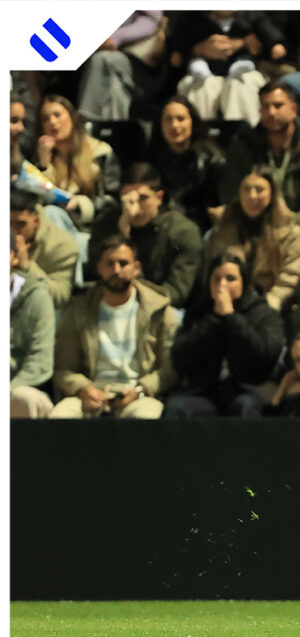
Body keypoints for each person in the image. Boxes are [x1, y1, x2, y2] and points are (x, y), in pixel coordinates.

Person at [51, 234, 179, 419]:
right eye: (109, 264)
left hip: (138, 395)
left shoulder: (158, 309)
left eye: (123, 263)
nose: (116, 270)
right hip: (90, 394)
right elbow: (64, 368)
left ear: (136, 268)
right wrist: (83, 388)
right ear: (99, 268)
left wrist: (141, 390)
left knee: (146, 417)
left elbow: (169, 369)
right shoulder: (78, 309)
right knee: (59, 417)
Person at [164, 251, 284, 417]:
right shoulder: (199, 312)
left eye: (230, 279)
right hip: (205, 391)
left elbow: (265, 354)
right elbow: (180, 359)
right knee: (176, 407)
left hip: (248, 389)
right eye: (216, 279)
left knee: (244, 406)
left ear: (243, 282)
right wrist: (213, 319)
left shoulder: (263, 312)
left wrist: (230, 317)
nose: (222, 285)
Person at [218, 80, 300, 232]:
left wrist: (291, 222)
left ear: (293, 109)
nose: (271, 112)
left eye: (278, 105)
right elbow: (230, 193)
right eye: (265, 107)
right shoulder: (245, 145)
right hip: (256, 224)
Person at [88, 163, 203, 309]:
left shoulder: (182, 231)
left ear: (159, 197)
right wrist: (122, 234)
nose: (135, 206)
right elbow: (94, 270)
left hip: (158, 307)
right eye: (127, 198)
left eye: (143, 198)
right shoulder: (107, 223)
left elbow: (176, 292)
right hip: (111, 300)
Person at [207, 164, 300, 312]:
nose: (252, 196)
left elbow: (290, 277)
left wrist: (266, 307)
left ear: (272, 193)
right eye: (246, 189)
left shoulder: (290, 232)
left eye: (259, 189)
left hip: (276, 305)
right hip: (232, 303)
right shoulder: (223, 228)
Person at [170, 10, 286, 126]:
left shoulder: (252, 15)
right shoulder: (193, 16)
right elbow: (178, 48)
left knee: (242, 85)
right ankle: (202, 133)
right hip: (204, 72)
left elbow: (271, 41)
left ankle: (241, 133)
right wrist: (197, 49)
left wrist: (247, 44)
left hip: (242, 70)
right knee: (198, 87)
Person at [34, 94, 121, 228]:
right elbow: (35, 205)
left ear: (72, 117)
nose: (52, 122)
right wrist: (43, 166)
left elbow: (113, 202)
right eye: (45, 119)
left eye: (57, 115)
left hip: (92, 228)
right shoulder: (41, 160)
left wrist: (83, 204)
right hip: (54, 228)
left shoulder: (100, 153)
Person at [148, 95, 226, 233]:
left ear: (192, 122)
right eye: (168, 119)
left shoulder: (213, 161)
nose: (174, 125)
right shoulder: (151, 160)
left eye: (181, 119)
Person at [76, 11, 169, 121]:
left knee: (102, 60)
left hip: (141, 66)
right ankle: (109, 127)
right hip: (109, 66)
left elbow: (151, 22)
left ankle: (86, 120)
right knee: (115, 88)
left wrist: (114, 38)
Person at [10, 231, 56, 419]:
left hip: (20, 387)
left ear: (14, 257)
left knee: (24, 398)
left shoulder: (37, 297)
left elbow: (40, 361)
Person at [10, 187, 78, 307]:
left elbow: (60, 296)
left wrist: (27, 267)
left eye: (21, 224)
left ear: (35, 220)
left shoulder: (61, 245)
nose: (13, 230)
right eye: (8, 223)